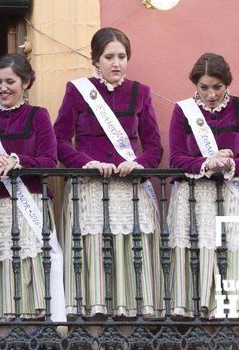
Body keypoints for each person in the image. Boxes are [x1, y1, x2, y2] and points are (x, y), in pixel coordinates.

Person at [53, 27, 165, 318]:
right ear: (95, 60)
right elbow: (60, 140)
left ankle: (126, 343)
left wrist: (139, 164)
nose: (117, 63)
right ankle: (93, 343)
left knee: (129, 270)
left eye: (122, 56)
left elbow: (154, 146)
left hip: (129, 193)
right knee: (93, 276)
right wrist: (84, 163)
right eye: (109, 57)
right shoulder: (78, 91)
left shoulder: (141, 93)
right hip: (90, 191)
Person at [0, 53, 67, 321]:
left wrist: (16, 161)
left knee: (26, 284)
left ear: (26, 83)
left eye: (10, 81)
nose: (3, 88)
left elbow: (48, 160)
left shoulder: (38, 116)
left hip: (27, 207)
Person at [167, 53, 239, 318]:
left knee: (229, 263)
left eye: (217, 87)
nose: (211, 94)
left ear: (227, 83)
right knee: (198, 262)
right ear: (195, 85)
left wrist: (229, 164)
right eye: (204, 87)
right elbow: (176, 158)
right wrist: (208, 162)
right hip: (194, 199)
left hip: (231, 197)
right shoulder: (183, 110)